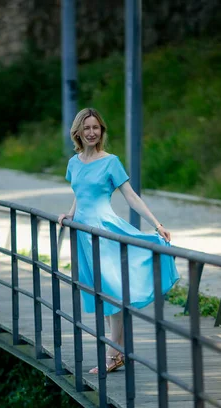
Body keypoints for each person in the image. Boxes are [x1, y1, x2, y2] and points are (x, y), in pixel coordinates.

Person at [58, 107, 179, 374]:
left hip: (105, 231)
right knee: (104, 291)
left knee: (112, 291)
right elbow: (80, 192)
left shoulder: (110, 161)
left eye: (96, 127)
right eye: (87, 128)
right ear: (78, 131)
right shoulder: (74, 162)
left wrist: (156, 224)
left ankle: (112, 356)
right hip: (83, 234)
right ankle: (119, 353)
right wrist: (70, 214)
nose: (92, 132)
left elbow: (131, 196)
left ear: (102, 131)